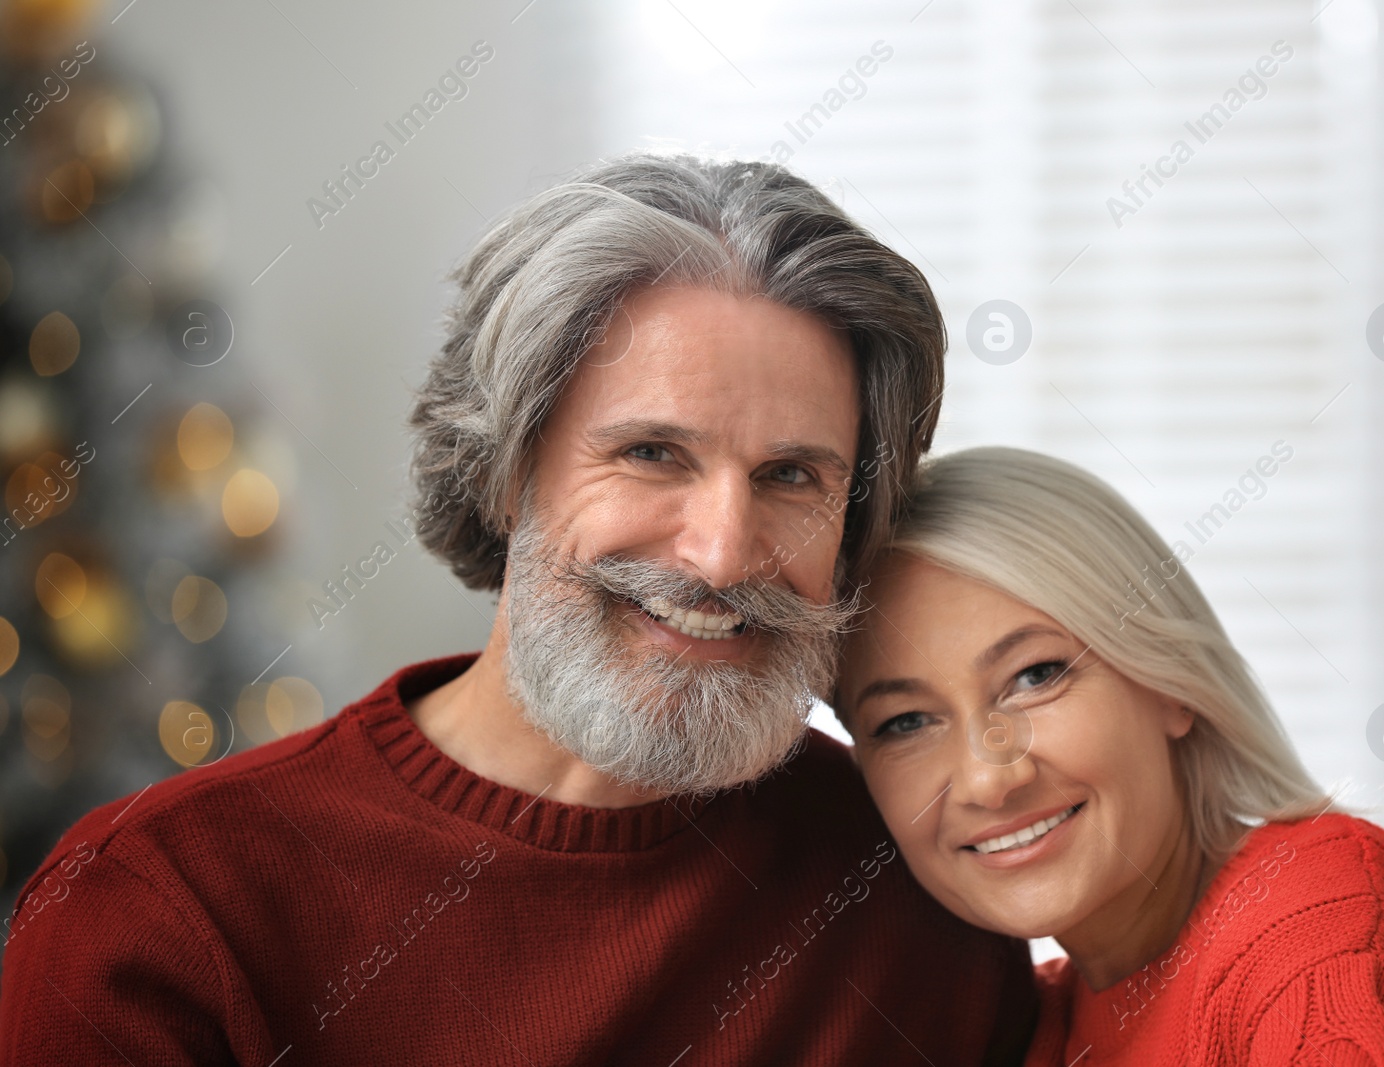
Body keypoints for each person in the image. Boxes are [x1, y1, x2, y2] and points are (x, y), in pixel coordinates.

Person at [0, 157, 1036, 1065]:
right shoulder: (160, 906)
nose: (721, 552)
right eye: (651, 453)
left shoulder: (918, 879)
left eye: (793, 476)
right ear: (503, 471)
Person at [835, 446, 1384, 1065]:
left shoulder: (1325, 940)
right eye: (904, 722)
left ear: (1169, 684)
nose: (989, 777)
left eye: (1036, 675)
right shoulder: (1051, 1024)